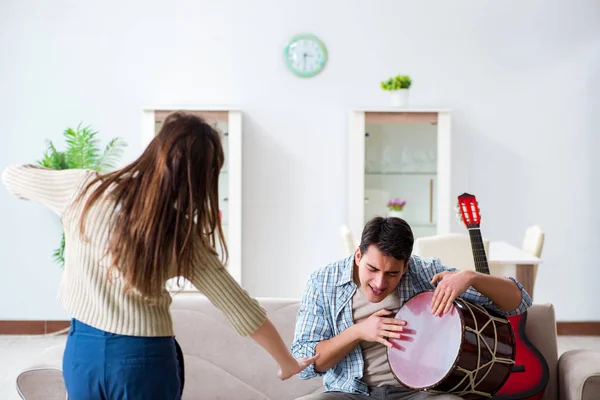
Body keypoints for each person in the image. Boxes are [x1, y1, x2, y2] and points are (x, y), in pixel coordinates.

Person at [2, 111, 318, 400]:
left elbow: (13, 176)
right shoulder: (182, 235)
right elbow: (242, 311)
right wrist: (286, 362)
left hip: (83, 352)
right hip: (146, 359)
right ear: (200, 178)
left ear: (156, 148)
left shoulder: (85, 190)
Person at [291, 216, 532, 400]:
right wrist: (359, 332)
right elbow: (304, 363)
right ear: (357, 255)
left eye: (392, 273)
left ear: (406, 266)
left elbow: (519, 302)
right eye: (372, 269)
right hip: (349, 393)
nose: (379, 283)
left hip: (417, 393)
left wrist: (471, 277)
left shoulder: (424, 273)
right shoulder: (323, 282)